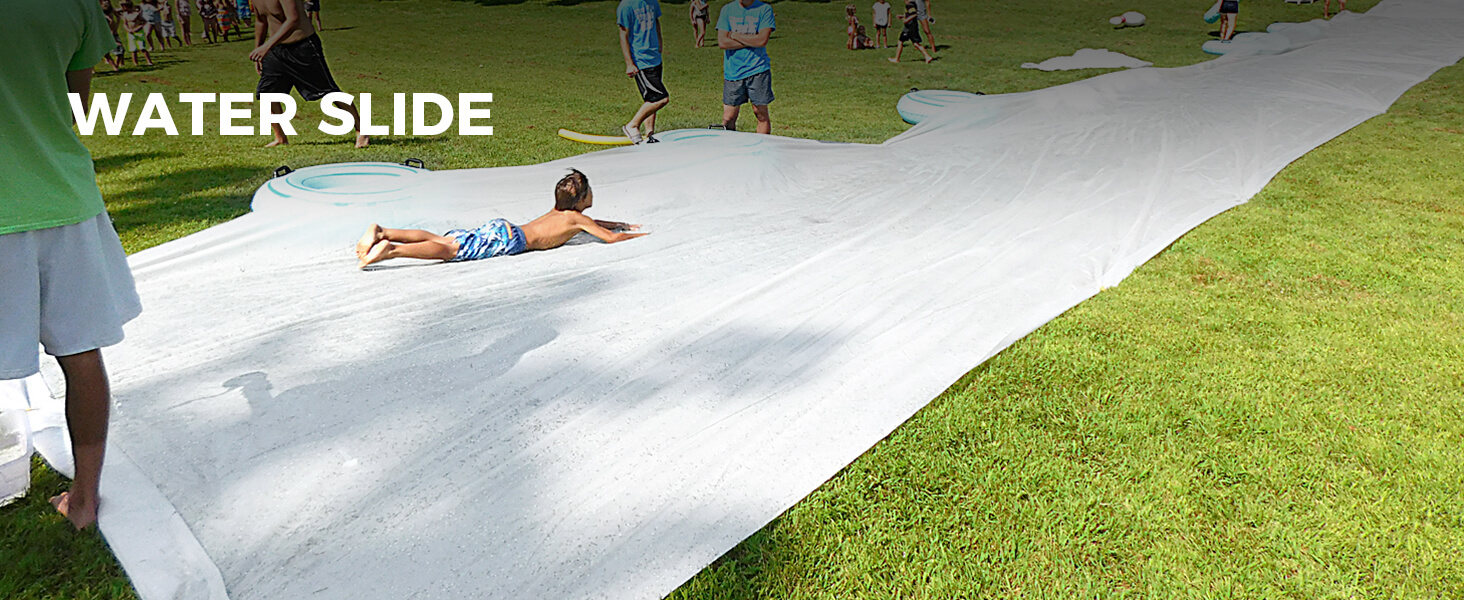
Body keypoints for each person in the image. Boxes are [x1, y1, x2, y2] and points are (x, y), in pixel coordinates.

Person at [1, 0, 144, 532]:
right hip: (65, 197)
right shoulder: (76, 5)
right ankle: (84, 500)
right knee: (82, 354)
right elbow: (74, 105)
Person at [356, 170, 646, 269]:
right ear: (581, 199)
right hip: (511, 240)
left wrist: (619, 223)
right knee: (451, 250)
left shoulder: (562, 213)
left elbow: (596, 224)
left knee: (446, 239)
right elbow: (610, 238)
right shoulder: (577, 220)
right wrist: (637, 235)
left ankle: (384, 232)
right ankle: (392, 250)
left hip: (504, 229)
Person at [250, 0, 369, 147]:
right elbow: (261, 21)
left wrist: (266, 46)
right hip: (276, 50)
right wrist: (259, 49)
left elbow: (293, 19)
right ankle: (280, 138)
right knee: (267, 93)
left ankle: (362, 130)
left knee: (328, 91)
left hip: (302, 46)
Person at [716, 0, 776, 134]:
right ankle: (729, 145)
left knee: (760, 114)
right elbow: (723, 42)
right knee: (729, 117)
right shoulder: (727, 10)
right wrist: (752, 40)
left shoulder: (764, 9)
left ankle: (762, 144)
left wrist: (735, 35)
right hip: (733, 71)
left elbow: (762, 40)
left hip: (758, 69)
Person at [617, 0, 668, 145]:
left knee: (651, 99)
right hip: (641, 61)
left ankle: (650, 134)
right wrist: (629, 63)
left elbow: (656, 22)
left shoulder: (652, 2)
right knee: (661, 98)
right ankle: (632, 125)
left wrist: (659, 43)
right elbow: (623, 36)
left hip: (654, 57)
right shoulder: (626, 6)